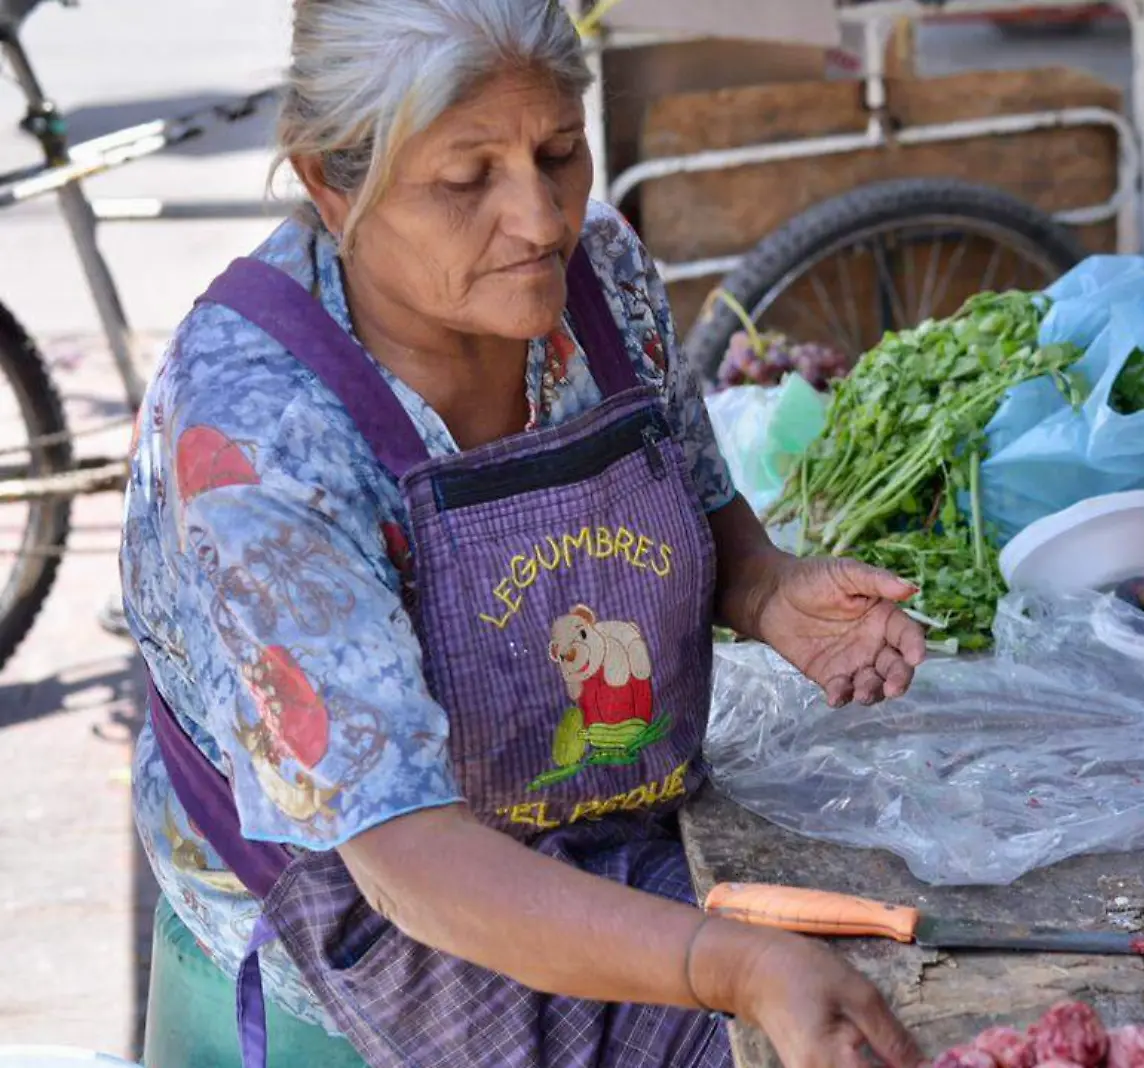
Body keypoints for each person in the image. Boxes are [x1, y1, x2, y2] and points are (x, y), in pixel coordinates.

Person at [118, 2, 929, 1065]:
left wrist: (765, 589)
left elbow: (687, 485)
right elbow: (406, 858)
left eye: (561, 153)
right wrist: (728, 965)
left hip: (609, 806)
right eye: (467, 180)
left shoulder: (597, 271)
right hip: (378, 897)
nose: (541, 218)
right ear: (331, 182)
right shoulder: (261, 432)